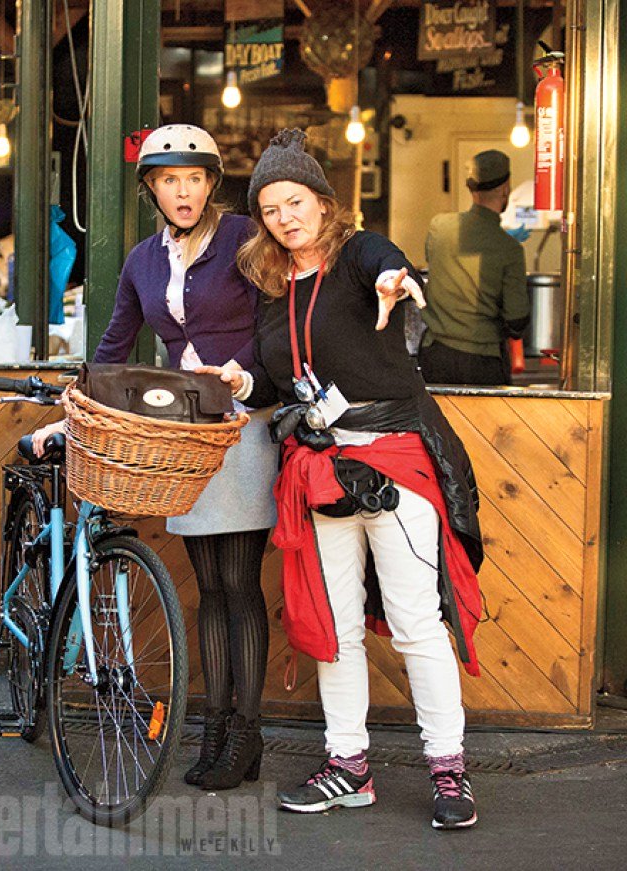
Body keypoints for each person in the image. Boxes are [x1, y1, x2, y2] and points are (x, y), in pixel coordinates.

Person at [199, 129, 484, 829]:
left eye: (295, 202)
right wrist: (242, 380)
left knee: (416, 623)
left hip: (393, 457)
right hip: (318, 469)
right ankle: (348, 764)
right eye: (270, 209)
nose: (284, 218)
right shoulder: (274, 288)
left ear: (324, 203)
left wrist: (395, 280)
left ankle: (449, 770)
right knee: (336, 627)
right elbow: (278, 376)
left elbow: (390, 263)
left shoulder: (359, 255)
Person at [32, 125, 278, 790]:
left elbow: (274, 328)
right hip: (181, 439)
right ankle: (215, 728)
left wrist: (239, 373)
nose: (183, 191)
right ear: (152, 189)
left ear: (211, 183)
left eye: (194, 178)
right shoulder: (143, 260)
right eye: (169, 180)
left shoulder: (244, 238)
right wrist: (71, 416)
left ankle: (245, 733)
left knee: (239, 582)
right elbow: (113, 348)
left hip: (242, 425)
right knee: (208, 585)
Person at [418, 149, 530, 385]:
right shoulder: (509, 248)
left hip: (436, 355)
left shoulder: (439, 227)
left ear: (471, 189)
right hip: (483, 361)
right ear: (505, 189)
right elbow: (517, 319)